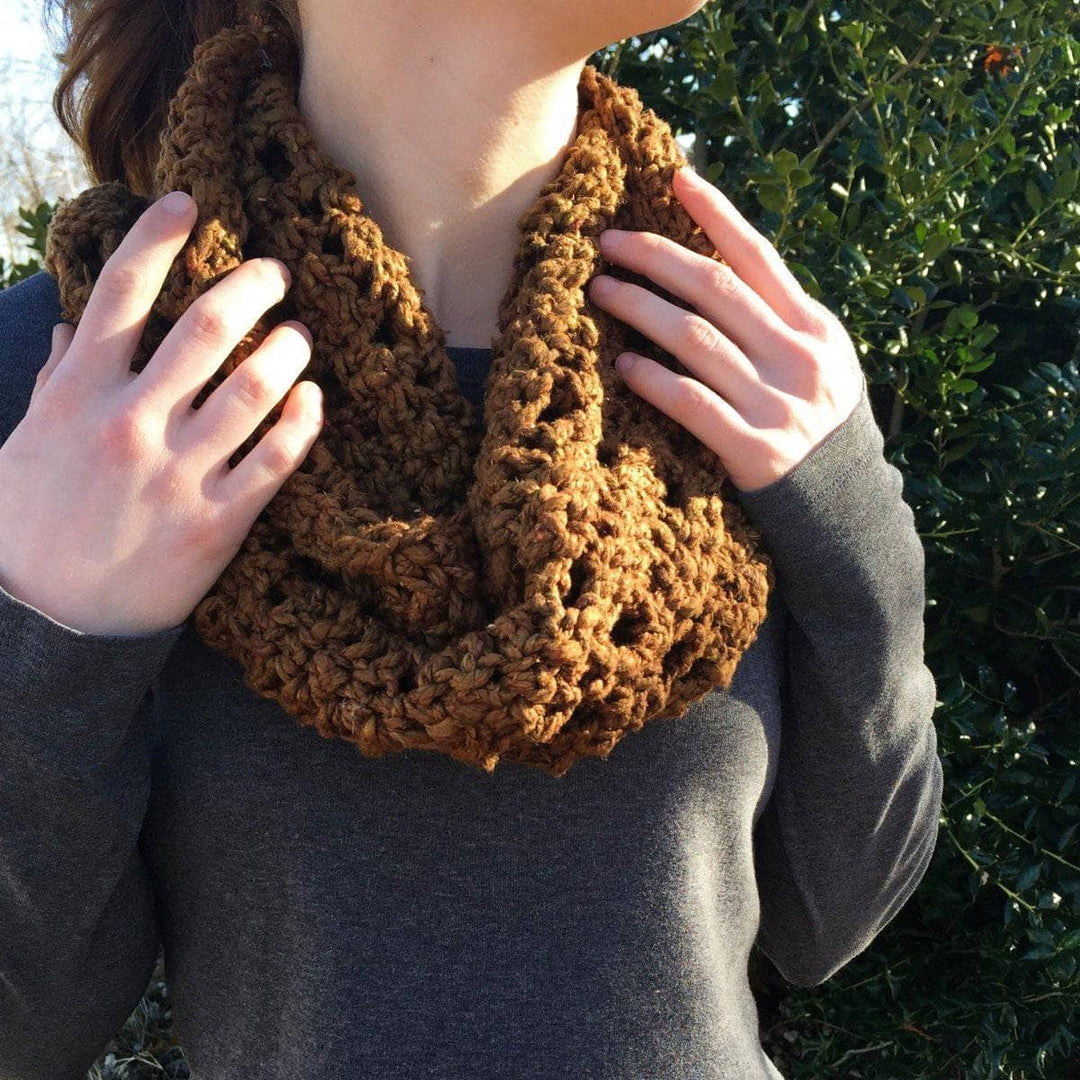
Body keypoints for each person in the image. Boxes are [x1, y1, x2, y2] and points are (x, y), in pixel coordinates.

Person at [0, 1, 944, 1077]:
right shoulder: (86, 376)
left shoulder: (736, 347)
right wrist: (54, 636)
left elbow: (832, 916)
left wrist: (855, 520)